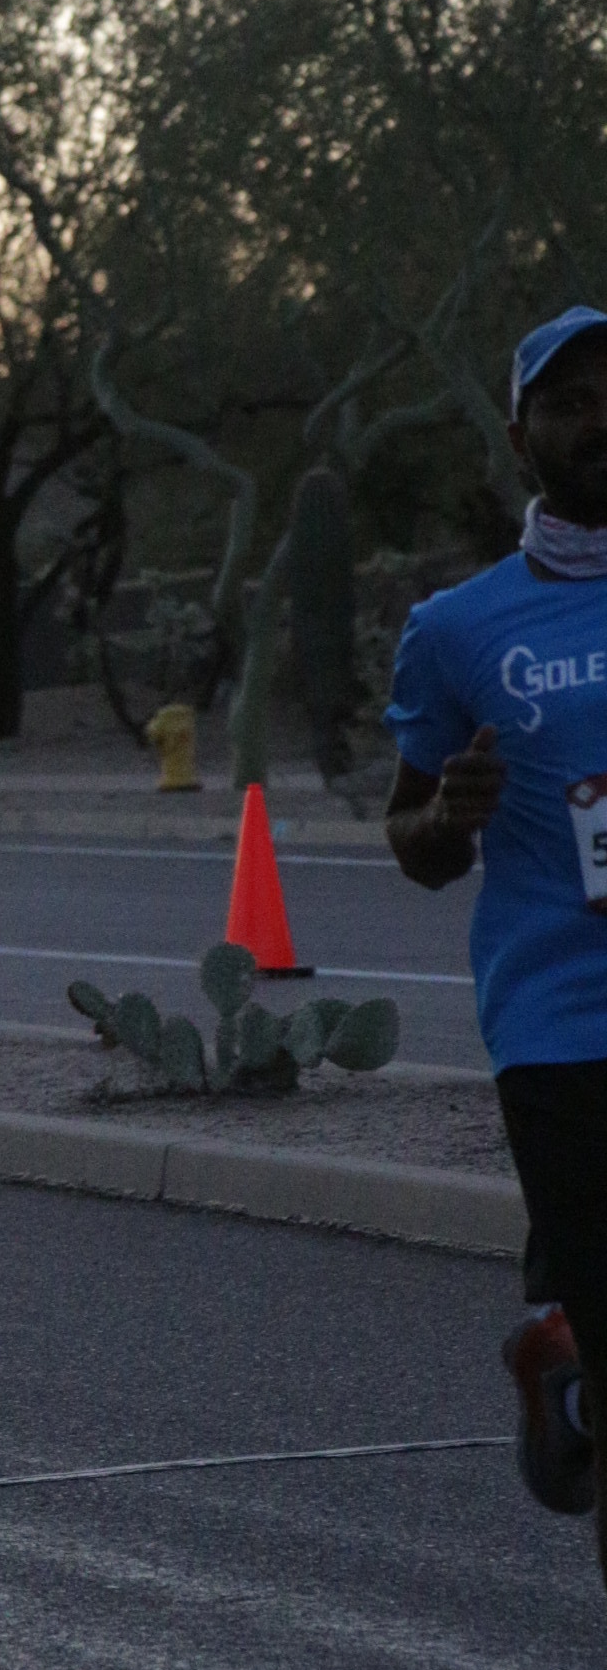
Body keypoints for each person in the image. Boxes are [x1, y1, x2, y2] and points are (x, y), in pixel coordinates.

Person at [384, 301, 607, 1591]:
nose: (600, 420)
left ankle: (556, 1349)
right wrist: (444, 819)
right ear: (520, 439)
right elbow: (412, 841)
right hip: (561, 1025)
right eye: (570, 402)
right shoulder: (460, 628)